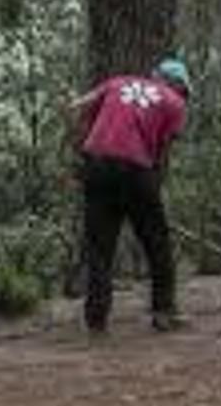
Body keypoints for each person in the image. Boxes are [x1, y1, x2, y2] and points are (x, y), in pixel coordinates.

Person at [66, 56, 190, 336]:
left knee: (99, 247)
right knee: (157, 242)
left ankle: (96, 323)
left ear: (155, 75)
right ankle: (164, 312)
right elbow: (163, 149)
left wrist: (81, 155)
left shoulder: (117, 82)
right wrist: (150, 186)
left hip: (96, 164)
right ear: (178, 85)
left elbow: (76, 108)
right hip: (136, 169)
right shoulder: (175, 103)